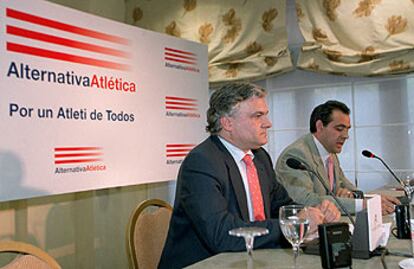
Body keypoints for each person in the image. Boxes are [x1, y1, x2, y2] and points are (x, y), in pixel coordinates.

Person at [158, 83, 340, 269]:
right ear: (227, 123)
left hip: (252, 259)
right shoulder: (202, 162)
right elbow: (222, 234)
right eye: (257, 116)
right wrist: (293, 226)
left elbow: (281, 205)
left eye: (265, 114)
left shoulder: (260, 157)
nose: (268, 123)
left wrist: (312, 212)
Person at [275, 100, 400, 216]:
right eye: (339, 129)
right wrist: (363, 205)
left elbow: (345, 185)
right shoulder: (296, 154)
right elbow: (306, 201)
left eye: (347, 129)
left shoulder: (330, 152)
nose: (346, 136)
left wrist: (372, 199)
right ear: (319, 126)